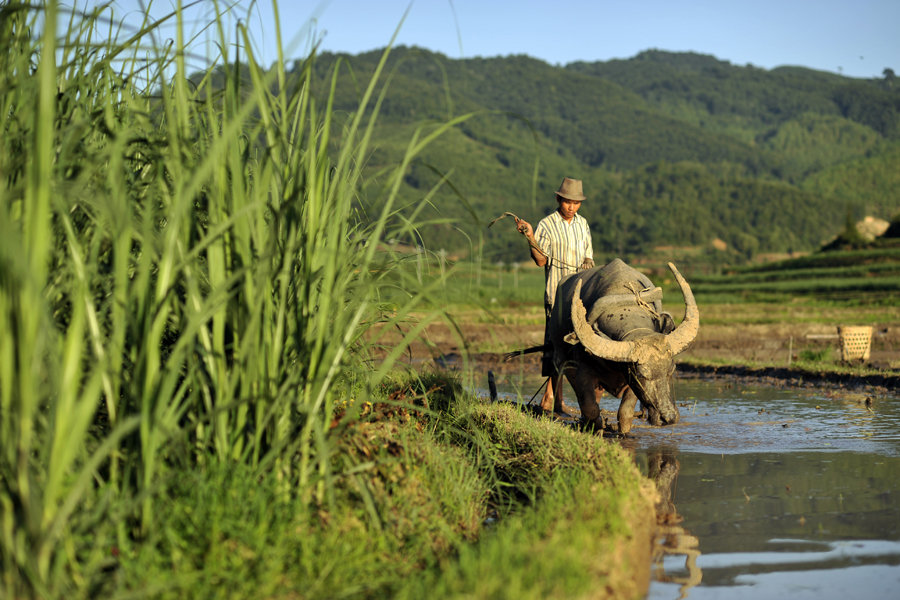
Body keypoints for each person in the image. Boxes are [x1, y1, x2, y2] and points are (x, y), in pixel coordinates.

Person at [515, 177, 594, 414]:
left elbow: (589, 257)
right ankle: (551, 399)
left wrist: (588, 264)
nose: (572, 207)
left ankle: (564, 400)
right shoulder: (547, 225)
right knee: (555, 348)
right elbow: (540, 261)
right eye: (567, 202)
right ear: (559, 199)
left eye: (576, 203)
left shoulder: (583, 225)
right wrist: (530, 236)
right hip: (557, 296)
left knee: (579, 349)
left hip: (580, 298)